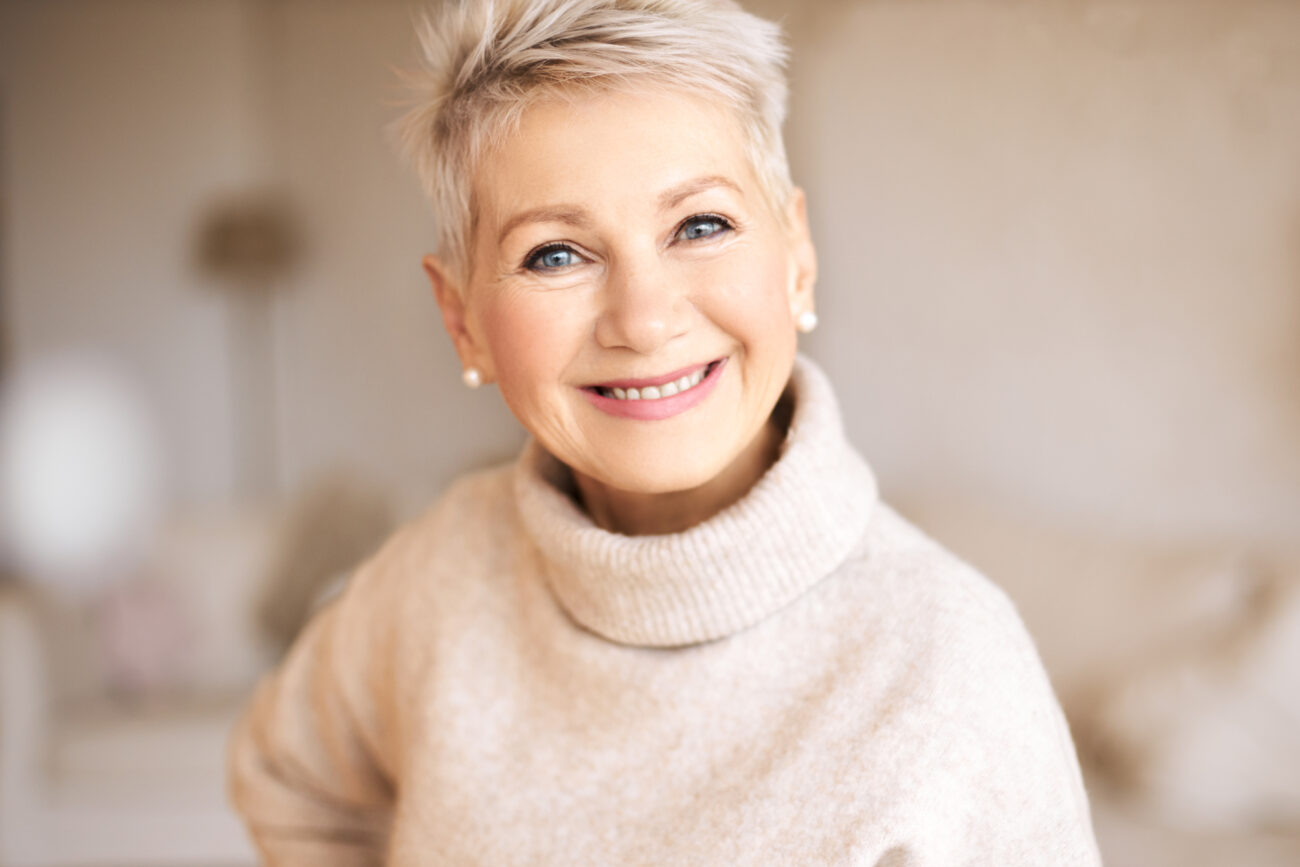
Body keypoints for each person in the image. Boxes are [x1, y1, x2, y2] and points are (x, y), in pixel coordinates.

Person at [226, 0, 1103, 863]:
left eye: (701, 225)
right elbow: (285, 772)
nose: (643, 321)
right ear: (462, 321)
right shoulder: (437, 573)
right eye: (556, 254)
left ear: (796, 256)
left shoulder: (950, 663)